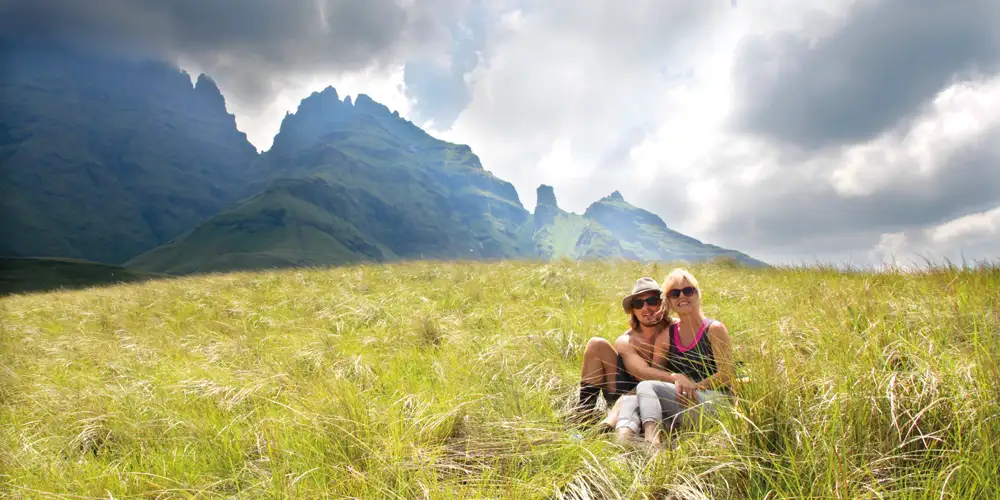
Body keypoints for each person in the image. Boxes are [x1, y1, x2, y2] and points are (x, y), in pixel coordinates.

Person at [628, 268, 736, 445]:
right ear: (668, 301)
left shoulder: (714, 329)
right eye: (675, 293)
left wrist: (694, 387)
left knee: (647, 389)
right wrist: (675, 381)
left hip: (717, 400)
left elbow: (727, 374)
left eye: (688, 290)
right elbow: (655, 373)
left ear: (697, 294)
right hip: (685, 400)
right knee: (645, 391)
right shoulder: (667, 335)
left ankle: (652, 444)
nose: (682, 297)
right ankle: (634, 437)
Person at [573, 277, 675, 429]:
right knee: (596, 344)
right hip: (625, 392)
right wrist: (675, 377)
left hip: (664, 393)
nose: (646, 308)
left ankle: (611, 422)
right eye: (638, 304)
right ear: (633, 310)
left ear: (662, 303)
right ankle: (584, 416)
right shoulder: (626, 340)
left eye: (652, 301)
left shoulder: (676, 329)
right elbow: (643, 374)